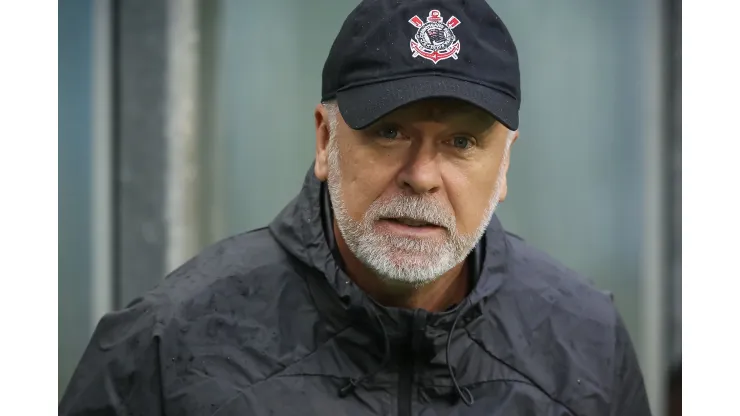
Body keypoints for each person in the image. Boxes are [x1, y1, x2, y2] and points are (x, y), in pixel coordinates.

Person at [60, 0, 652, 414]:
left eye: (462, 143)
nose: (421, 176)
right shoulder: (170, 342)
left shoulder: (587, 347)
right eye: (389, 132)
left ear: (504, 166)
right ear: (325, 140)